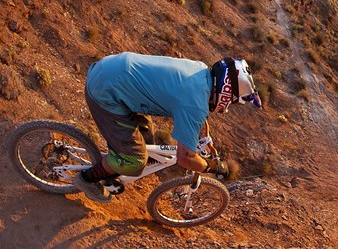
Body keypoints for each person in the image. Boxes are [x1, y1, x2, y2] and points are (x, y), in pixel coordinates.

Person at [73, 52, 262, 203]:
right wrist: (212, 167)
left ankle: (112, 168)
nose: (228, 107)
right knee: (135, 160)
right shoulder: (194, 104)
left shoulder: (200, 71)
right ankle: (87, 179)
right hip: (105, 92)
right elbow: (185, 157)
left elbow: (185, 100)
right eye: (232, 101)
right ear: (226, 91)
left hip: (113, 71)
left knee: (146, 138)